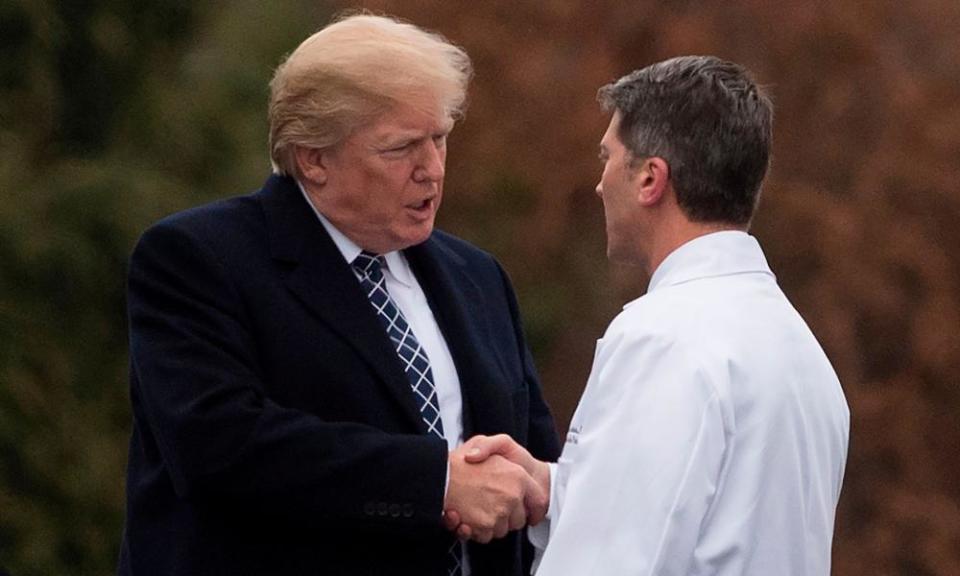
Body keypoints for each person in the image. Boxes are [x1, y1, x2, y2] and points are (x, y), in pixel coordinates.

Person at [118, 14, 560, 576]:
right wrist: (440, 483)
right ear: (314, 159)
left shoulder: (477, 275)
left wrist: (530, 483)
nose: (432, 170)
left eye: (441, 138)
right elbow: (220, 447)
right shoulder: (198, 259)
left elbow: (532, 449)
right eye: (400, 148)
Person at [452, 56, 850, 575]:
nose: (599, 184)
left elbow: (610, 562)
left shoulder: (665, 337)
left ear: (649, 179)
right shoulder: (800, 349)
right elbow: (712, 524)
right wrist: (561, 491)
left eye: (607, 158)